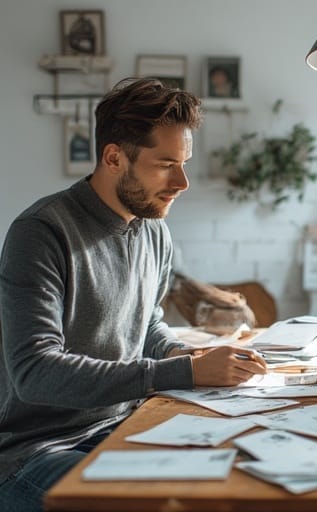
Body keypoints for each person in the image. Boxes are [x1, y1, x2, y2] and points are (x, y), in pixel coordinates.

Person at [0, 77, 266, 511]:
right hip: (36, 449)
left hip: (125, 423)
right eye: (165, 164)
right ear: (113, 158)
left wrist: (188, 356)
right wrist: (182, 375)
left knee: (236, 476)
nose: (182, 182)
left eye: (184, 163)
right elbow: (35, 373)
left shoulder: (154, 230)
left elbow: (146, 325)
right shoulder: (41, 233)